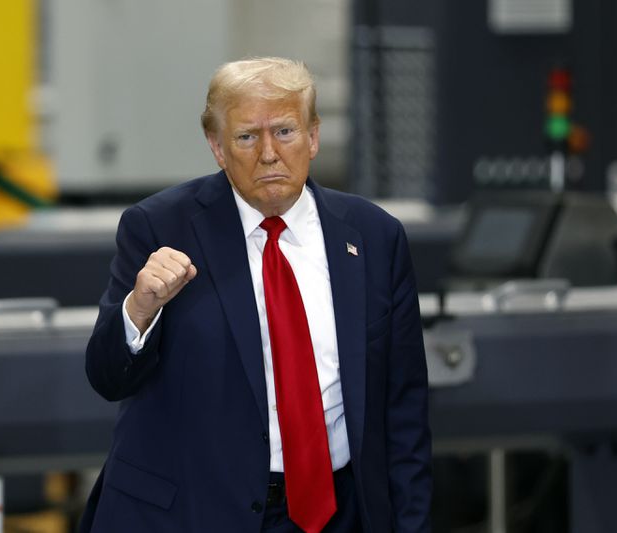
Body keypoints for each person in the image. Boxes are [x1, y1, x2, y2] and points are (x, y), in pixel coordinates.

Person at [80, 57, 431, 533]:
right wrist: (140, 308)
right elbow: (108, 378)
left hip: (338, 511)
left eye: (284, 131)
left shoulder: (374, 237)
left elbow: (403, 411)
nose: (268, 153)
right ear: (217, 147)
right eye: (247, 136)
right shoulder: (160, 228)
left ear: (313, 137)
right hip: (196, 513)